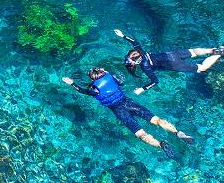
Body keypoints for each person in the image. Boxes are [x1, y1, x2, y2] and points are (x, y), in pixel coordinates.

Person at [62, 68, 193, 159]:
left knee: (141, 134)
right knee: (156, 120)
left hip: (119, 111)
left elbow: (82, 91)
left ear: (92, 79)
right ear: (103, 73)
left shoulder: (93, 89)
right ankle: (178, 133)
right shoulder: (111, 78)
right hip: (129, 103)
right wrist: (107, 73)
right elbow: (121, 81)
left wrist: (72, 83)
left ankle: (161, 144)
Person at [115, 29, 224, 95]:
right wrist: (123, 35)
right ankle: (214, 50)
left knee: (202, 67)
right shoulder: (141, 51)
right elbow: (134, 41)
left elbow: (155, 81)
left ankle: (218, 54)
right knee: (193, 52)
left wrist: (142, 89)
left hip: (174, 65)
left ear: (136, 63)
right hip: (171, 54)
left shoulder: (145, 67)